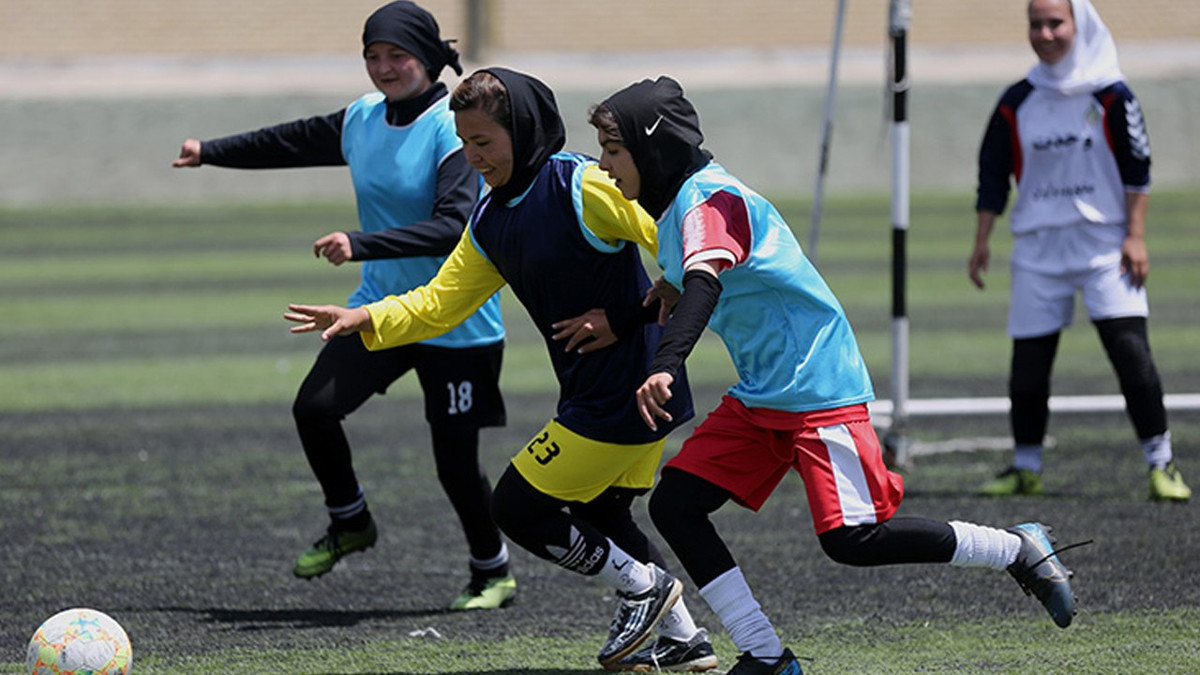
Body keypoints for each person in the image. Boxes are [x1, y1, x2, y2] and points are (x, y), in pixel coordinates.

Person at [589, 76, 1087, 675]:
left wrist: (665, 364)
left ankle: (1014, 548)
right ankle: (766, 655)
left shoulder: (709, 201)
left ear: (652, 148)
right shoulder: (678, 207)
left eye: (613, 150)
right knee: (675, 504)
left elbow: (703, 283)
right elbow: (681, 281)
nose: (604, 164)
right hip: (766, 394)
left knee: (852, 540)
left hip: (817, 389)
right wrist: (624, 318)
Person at [284, 68, 718, 672]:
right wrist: (365, 318)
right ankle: (685, 639)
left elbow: (678, 240)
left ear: (521, 128)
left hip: (631, 390)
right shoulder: (489, 219)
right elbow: (440, 303)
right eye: (464, 142)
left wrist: (623, 317)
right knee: (601, 513)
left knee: (515, 506)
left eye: (484, 141)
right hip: (602, 392)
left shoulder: (580, 185)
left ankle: (643, 589)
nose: (472, 156)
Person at [172, 1, 518, 610]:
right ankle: (350, 520)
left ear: (426, 57)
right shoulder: (362, 117)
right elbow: (290, 140)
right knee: (315, 408)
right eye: (372, 56)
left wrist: (361, 244)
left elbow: (455, 224)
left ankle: (492, 571)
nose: (383, 67)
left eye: (397, 55)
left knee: (454, 464)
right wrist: (210, 150)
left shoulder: (450, 126)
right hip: (379, 310)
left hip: (455, 320)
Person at [969, 0, 1189, 502]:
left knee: (1130, 352)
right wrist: (982, 240)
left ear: (1079, 25)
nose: (1045, 34)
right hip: (1038, 250)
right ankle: (1026, 468)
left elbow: (1138, 166)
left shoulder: (1112, 94)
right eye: (1036, 24)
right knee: (1028, 365)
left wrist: (1135, 235)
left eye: (1056, 23)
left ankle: (1162, 464)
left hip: (1105, 248)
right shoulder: (1017, 100)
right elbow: (992, 173)